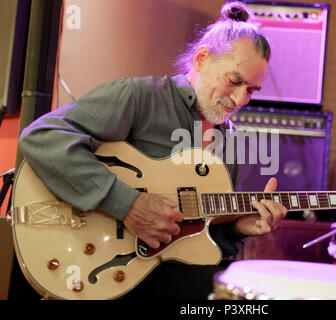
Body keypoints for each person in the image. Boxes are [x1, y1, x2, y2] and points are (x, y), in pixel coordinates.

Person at [16, 2, 288, 299]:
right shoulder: (140, 97)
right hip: (108, 274)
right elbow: (42, 136)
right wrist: (127, 204)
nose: (239, 99)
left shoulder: (230, 139)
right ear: (201, 59)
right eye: (234, 81)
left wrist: (238, 226)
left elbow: (200, 235)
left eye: (250, 90)